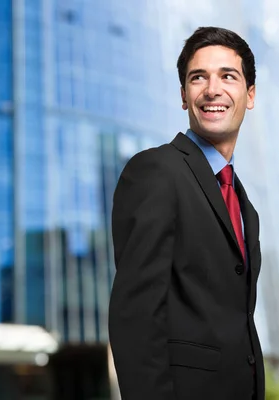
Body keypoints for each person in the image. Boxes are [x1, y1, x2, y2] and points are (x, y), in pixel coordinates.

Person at [108, 27, 264, 400]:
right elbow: (136, 315)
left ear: (250, 95)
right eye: (199, 78)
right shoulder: (156, 170)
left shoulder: (247, 207)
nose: (213, 90)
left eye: (228, 76)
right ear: (184, 96)